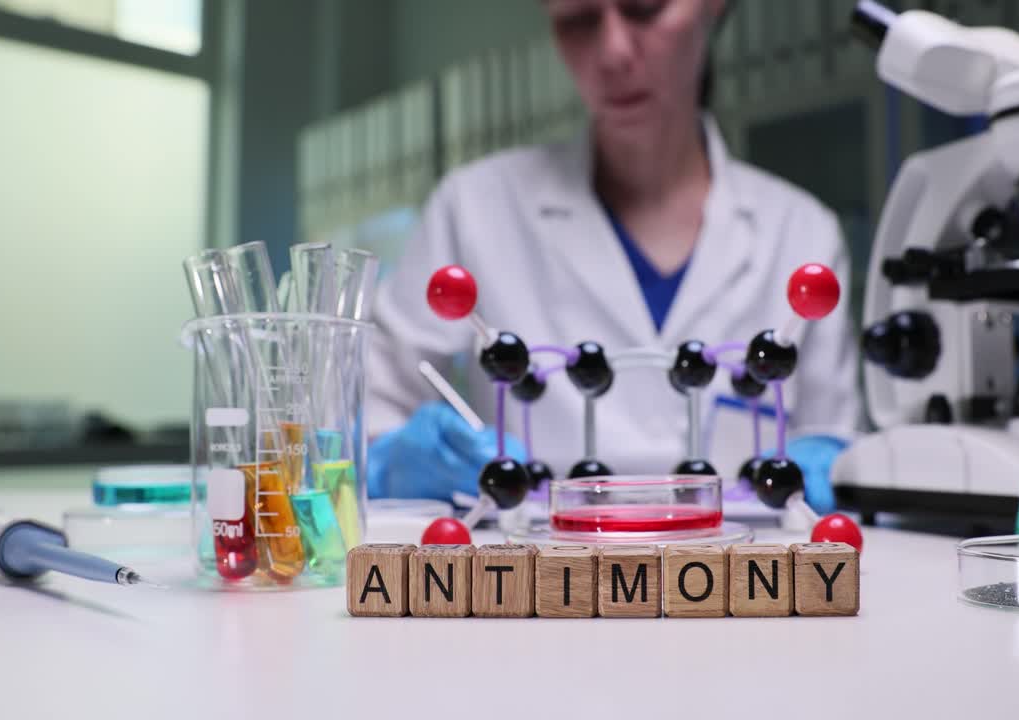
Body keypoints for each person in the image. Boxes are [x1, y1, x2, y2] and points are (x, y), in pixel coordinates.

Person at [365, 0, 860, 512]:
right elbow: (369, 420)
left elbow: (835, 444)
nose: (612, 53)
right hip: (543, 578)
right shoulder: (473, 209)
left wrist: (834, 461)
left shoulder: (802, 234)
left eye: (644, 9)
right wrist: (396, 459)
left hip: (744, 577)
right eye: (577, 21)